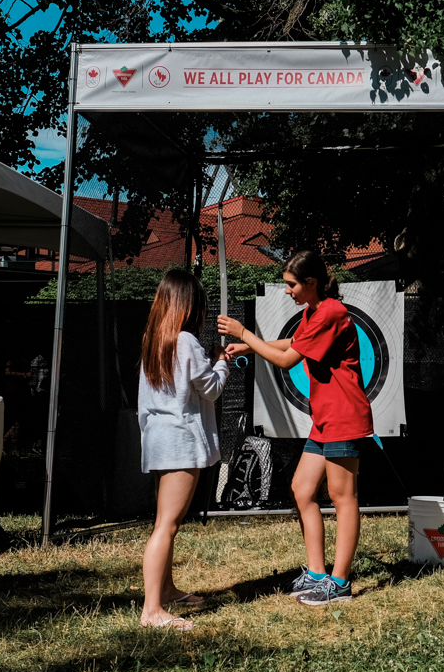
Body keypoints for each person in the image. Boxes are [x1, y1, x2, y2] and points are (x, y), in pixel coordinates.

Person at [218, 251, 373, 606]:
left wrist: (245, 333)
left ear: (311, 283)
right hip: (324, 420)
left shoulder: (332, 311)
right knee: (302, 490)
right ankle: (318, 574)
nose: (287, 291)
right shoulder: (313, 312)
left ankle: (341, 584)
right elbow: (292, 343)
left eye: (291, 284)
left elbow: (289, 360)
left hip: (344, 418)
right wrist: (249, 346)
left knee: (342, 496)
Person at [137, 270, 230, 630]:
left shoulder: (154, 339)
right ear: (189, 306)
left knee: (166, 522)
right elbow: (211, 389)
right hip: (180, 442)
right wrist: (222, 360)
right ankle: (152, 611)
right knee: (167, 525)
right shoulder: (186, 341)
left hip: (159, 439)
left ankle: (167, 590)